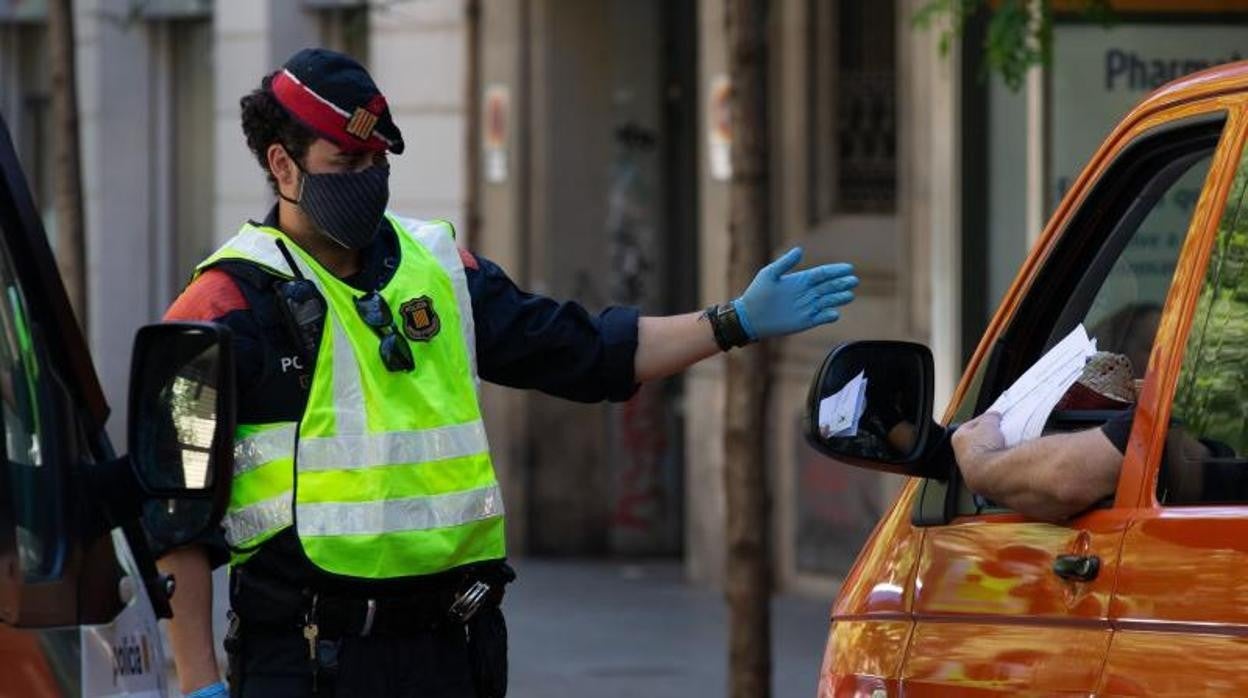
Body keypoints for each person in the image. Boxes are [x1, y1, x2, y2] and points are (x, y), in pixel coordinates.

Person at [158, 48, 859, 698]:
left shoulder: (438, 268)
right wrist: (198, 681)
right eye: (346, 163)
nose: (369, 181)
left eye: (379, 162)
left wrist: (732, 322)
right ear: (283, 166)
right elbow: (173, 508)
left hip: (456, 652)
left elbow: (584, 350)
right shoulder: (221, 305)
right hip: (311, 662)